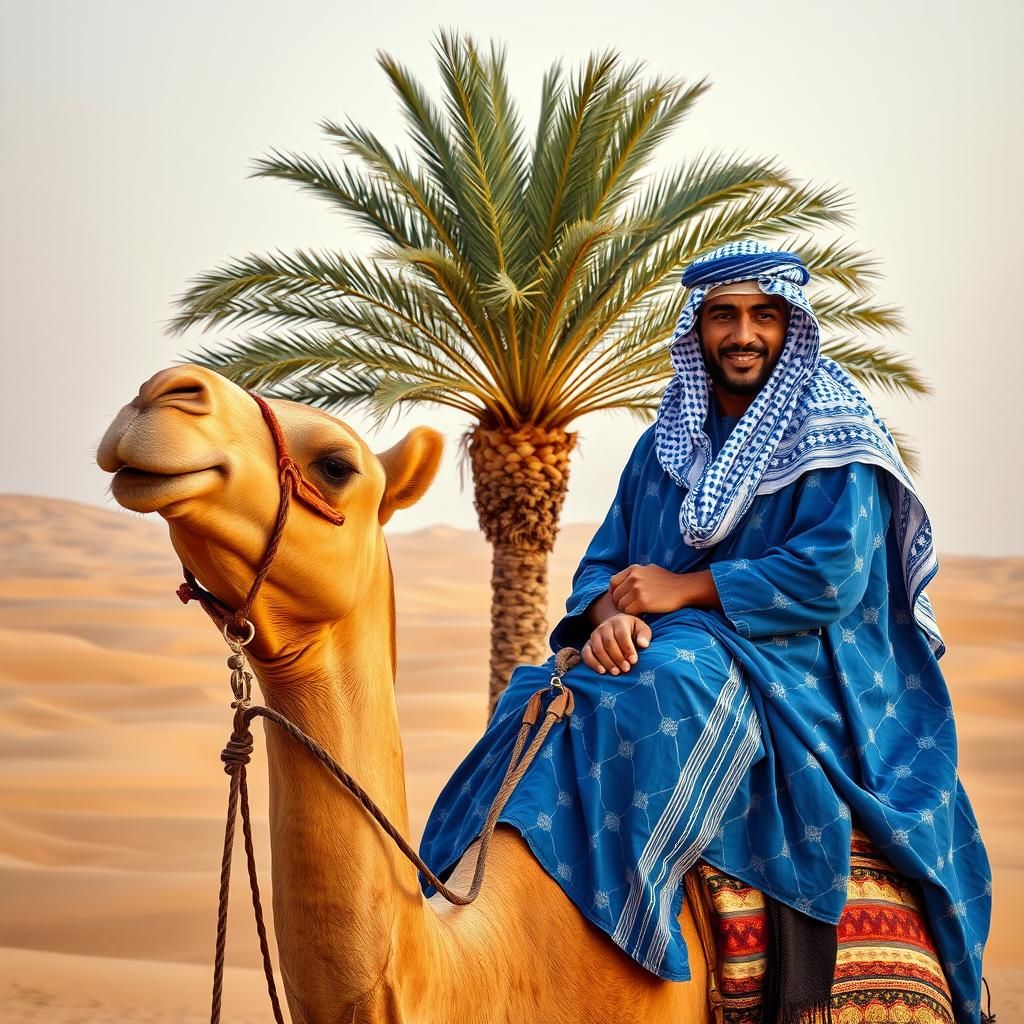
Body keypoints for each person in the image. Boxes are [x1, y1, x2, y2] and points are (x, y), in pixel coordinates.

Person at [420, 240, 991, 1022]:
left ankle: (636, 909)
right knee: (535, 693)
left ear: (793, 327)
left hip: (814, 667)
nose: (744, 333)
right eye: (724, 315)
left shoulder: (833, 434)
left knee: (675, 673)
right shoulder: (665, 448)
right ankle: (447, 893)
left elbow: (832, 577)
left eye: (764, 315)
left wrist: (682, 590)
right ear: (698, 330)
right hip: (675, 643)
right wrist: (610, 619)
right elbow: (604, 566)